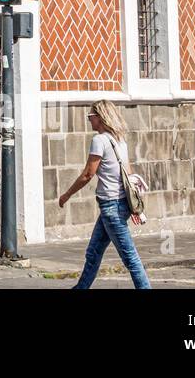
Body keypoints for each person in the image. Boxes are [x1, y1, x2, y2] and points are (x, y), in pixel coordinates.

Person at [58, 100, 151, 290]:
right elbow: (128, 172)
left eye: (90, 117)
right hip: (118, 204)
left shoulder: (99, 140)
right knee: (93, 252)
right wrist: (131, 203)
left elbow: (88, 174)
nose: (89, 121)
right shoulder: (119, 139)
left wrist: (67, 195)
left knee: (130, 257)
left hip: (111, 207)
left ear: (99, 117)